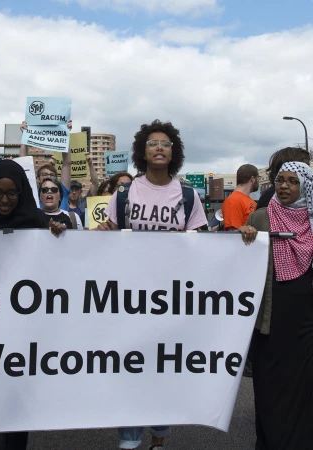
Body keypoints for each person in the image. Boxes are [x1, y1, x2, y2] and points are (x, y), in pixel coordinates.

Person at [97, 120, 207, 450]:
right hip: (129, 298)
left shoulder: (187, 195)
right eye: (152, 143)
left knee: (163, 369)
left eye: (166, 144)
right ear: (142, 152)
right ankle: (129, 440)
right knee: (129, 368)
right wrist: (99, 234)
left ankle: (159, 437)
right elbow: (107, 237)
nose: (159, 148)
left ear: (174, 153)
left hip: (170, 299)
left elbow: (203, 246)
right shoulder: (124, 193)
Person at [0, 159, 64, 450]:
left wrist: (57, 237)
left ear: (22, 192)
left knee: (17, 404)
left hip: (23, 330)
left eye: (11, 193)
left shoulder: (38, 222)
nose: (4, 200)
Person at [238, 161, 313, 449]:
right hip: (270, 321)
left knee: (302, 391)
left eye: (293, 181)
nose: (283, 186)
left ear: (305, 187)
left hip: (304, 324)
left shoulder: (311, 219)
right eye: (280, 180)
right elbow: (239, 261)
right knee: (269, 391)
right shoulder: (261, 218)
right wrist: (243, 235)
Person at [19, 120, 73, 211]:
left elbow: (67, 164)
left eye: (52, 175)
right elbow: (23, 164)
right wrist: (25, 135)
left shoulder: (62, 191)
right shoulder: (31, 193)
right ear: (37, 179)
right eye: (44, 174)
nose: (49, 177)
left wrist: (65, 134)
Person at [221, 164, 259, 230]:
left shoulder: (247, 200)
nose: (259, 181)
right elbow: (233, 232)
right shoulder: (233, 201)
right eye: (258, 178)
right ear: (252, 180)